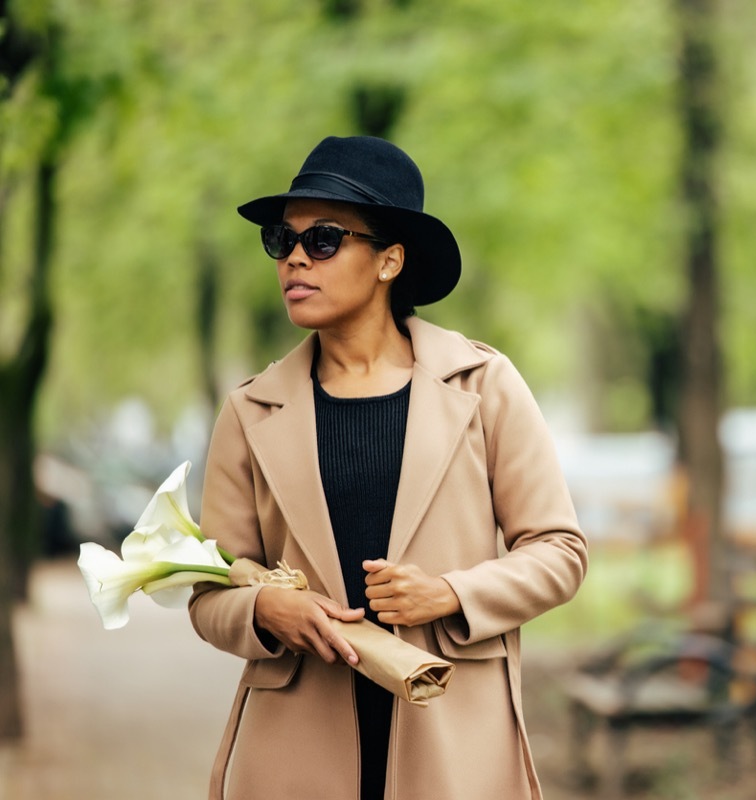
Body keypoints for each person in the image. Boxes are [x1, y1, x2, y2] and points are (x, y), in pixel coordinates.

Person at [188, 135, 588, 800]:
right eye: (281, 240)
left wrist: (452, 594)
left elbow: (560, 552)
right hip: (295, 747)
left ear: (389, 260)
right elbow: (209, 594)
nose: (294, 258)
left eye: (322, 239)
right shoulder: (250, 410)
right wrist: (263, 608)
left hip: (454, 738)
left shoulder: (483, 384)